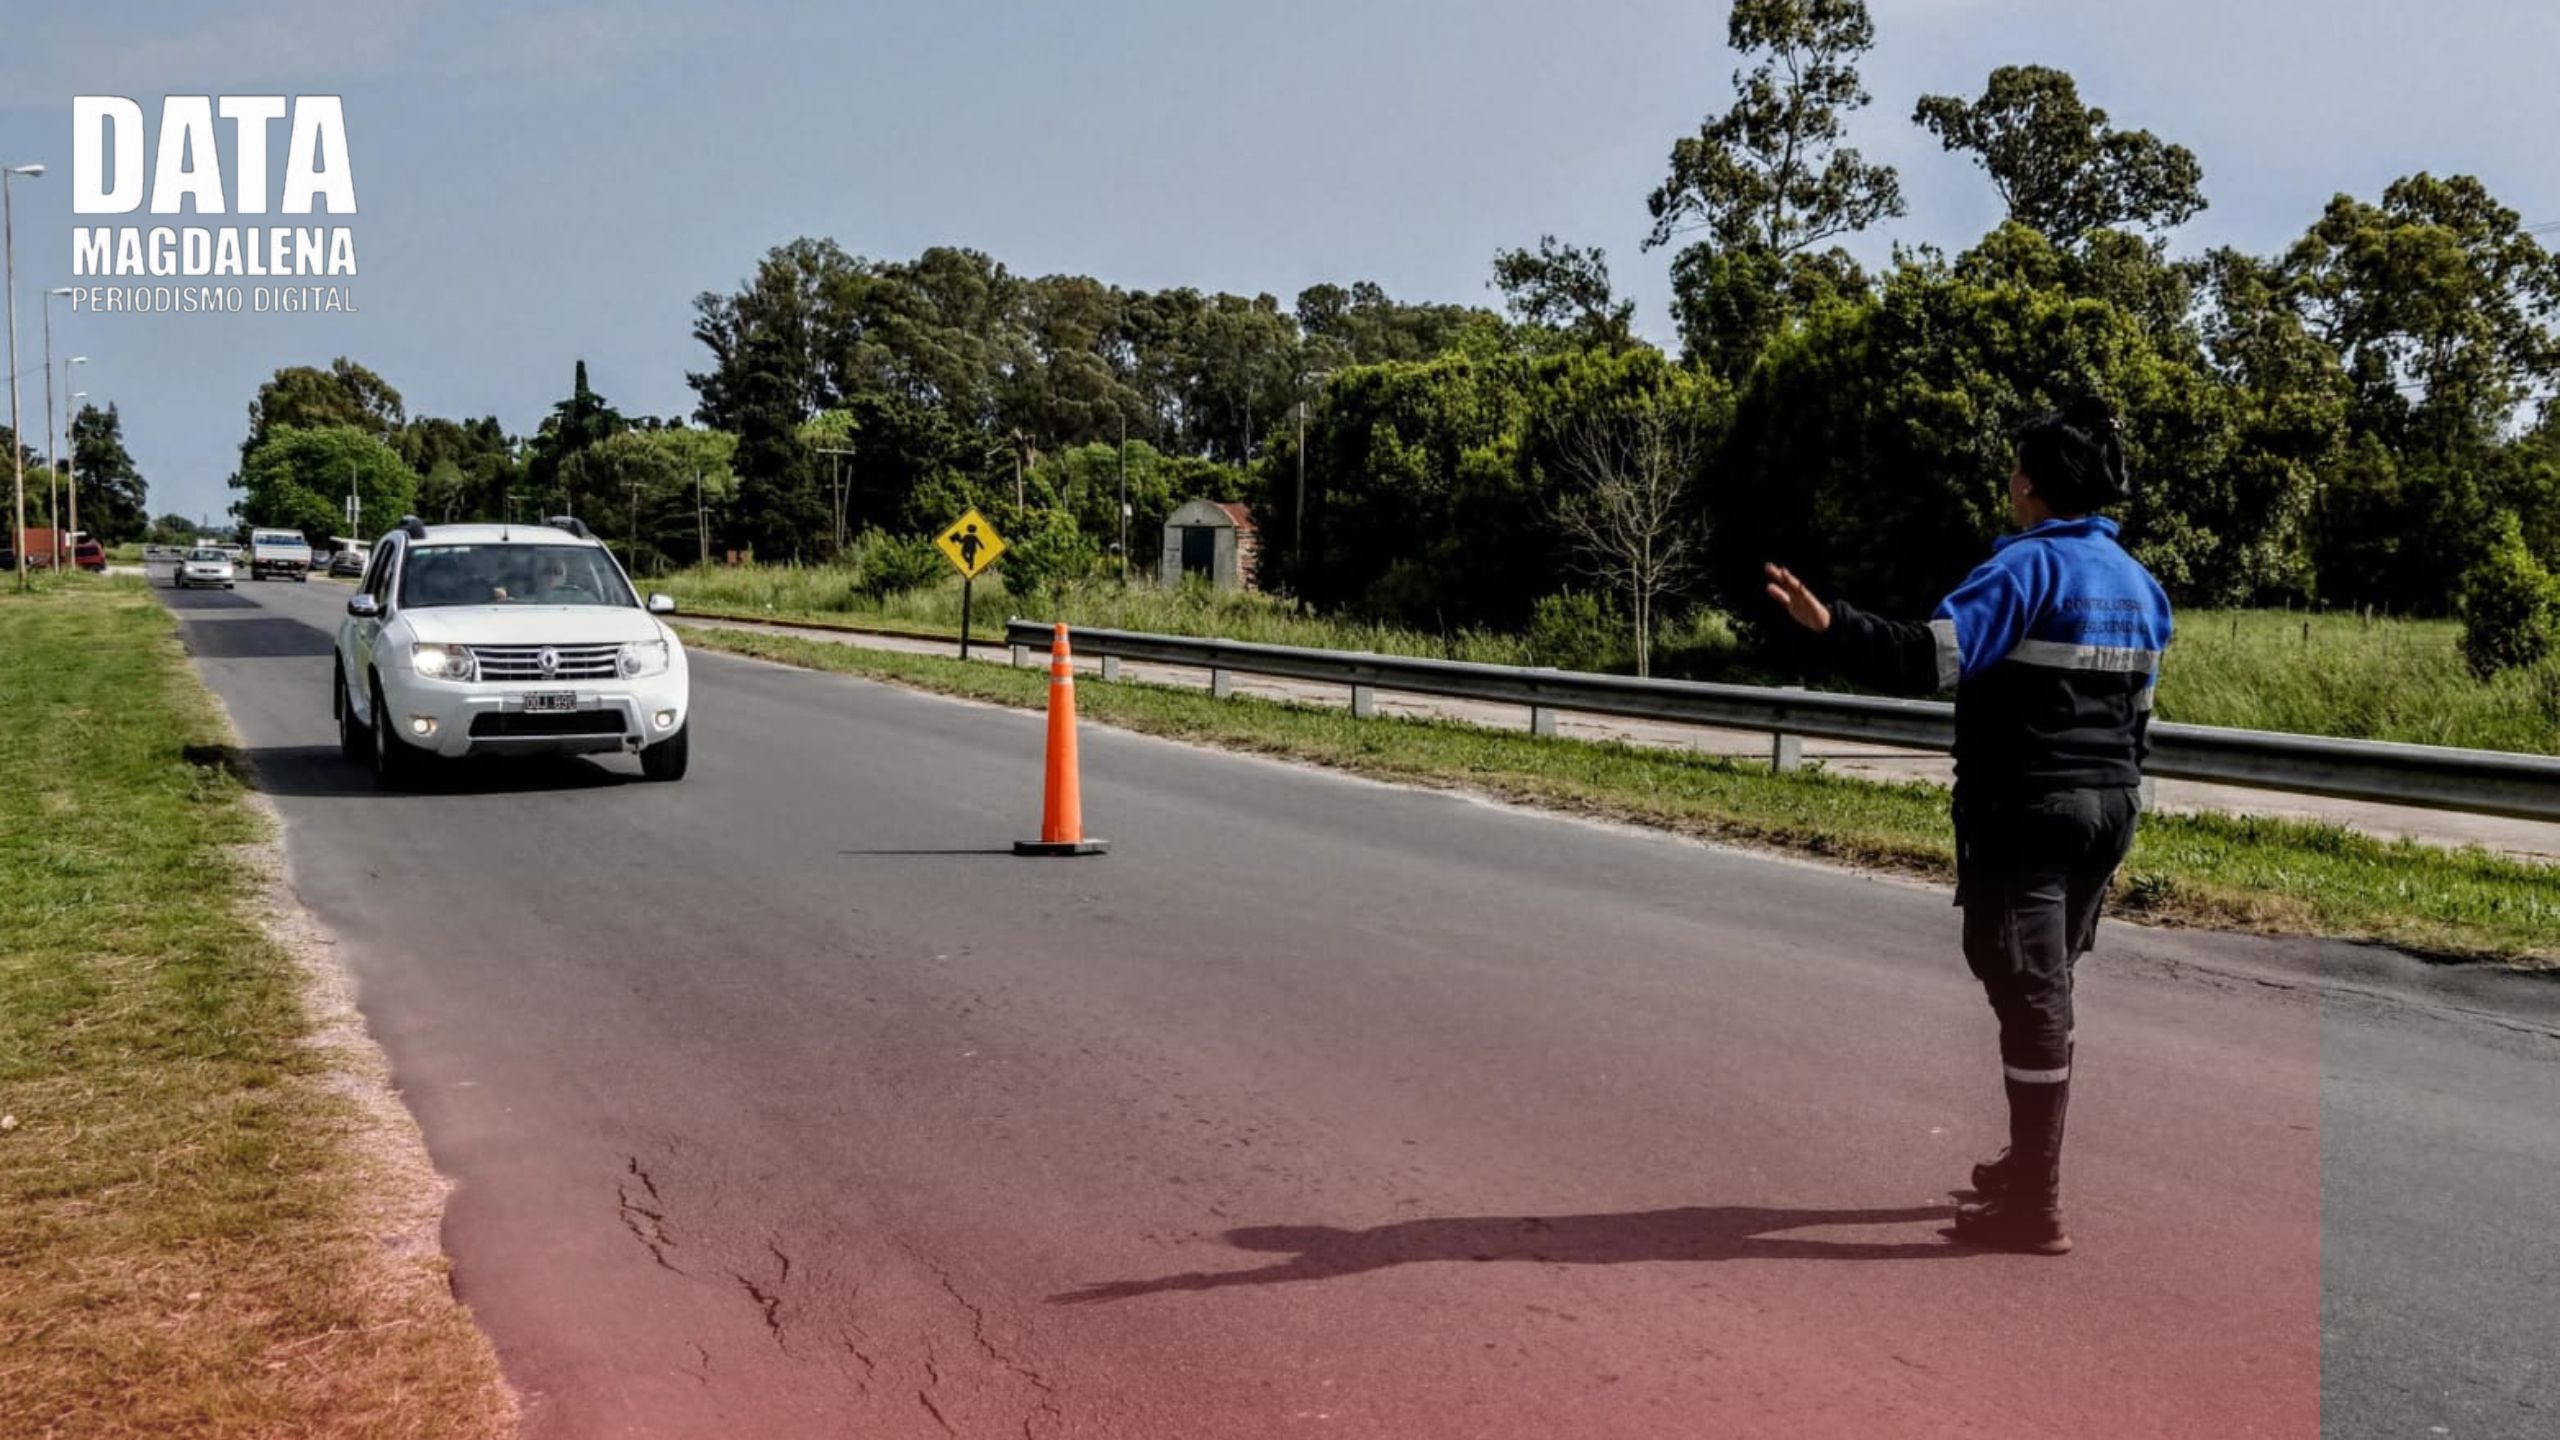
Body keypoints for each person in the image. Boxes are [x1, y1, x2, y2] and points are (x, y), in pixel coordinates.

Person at [1762, 399, 2172, 1255]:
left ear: (2028, 485)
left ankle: (2035, 1202)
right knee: (2044, 987)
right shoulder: (2141, 583)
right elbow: (2140, 715)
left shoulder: (2026, 569)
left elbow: (1930, 658)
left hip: (2027, 806)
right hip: (2112, 809)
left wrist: (1832, 626)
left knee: (2029, 993)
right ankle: (2030, 1165)